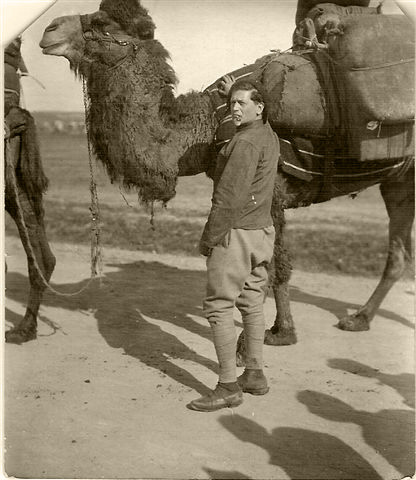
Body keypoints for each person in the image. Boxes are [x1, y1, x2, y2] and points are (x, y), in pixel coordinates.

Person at [187, 79, 280, 412]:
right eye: (232, 104)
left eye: (242, 103)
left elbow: (228, 198)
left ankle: (227, 385)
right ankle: (254, 373)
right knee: (253, 301)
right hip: (262, 231)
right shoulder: (268, 136)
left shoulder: (244, 144)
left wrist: (209, 239)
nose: (235, 108)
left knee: (218, 305)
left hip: (236, 232)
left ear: (260, 107)